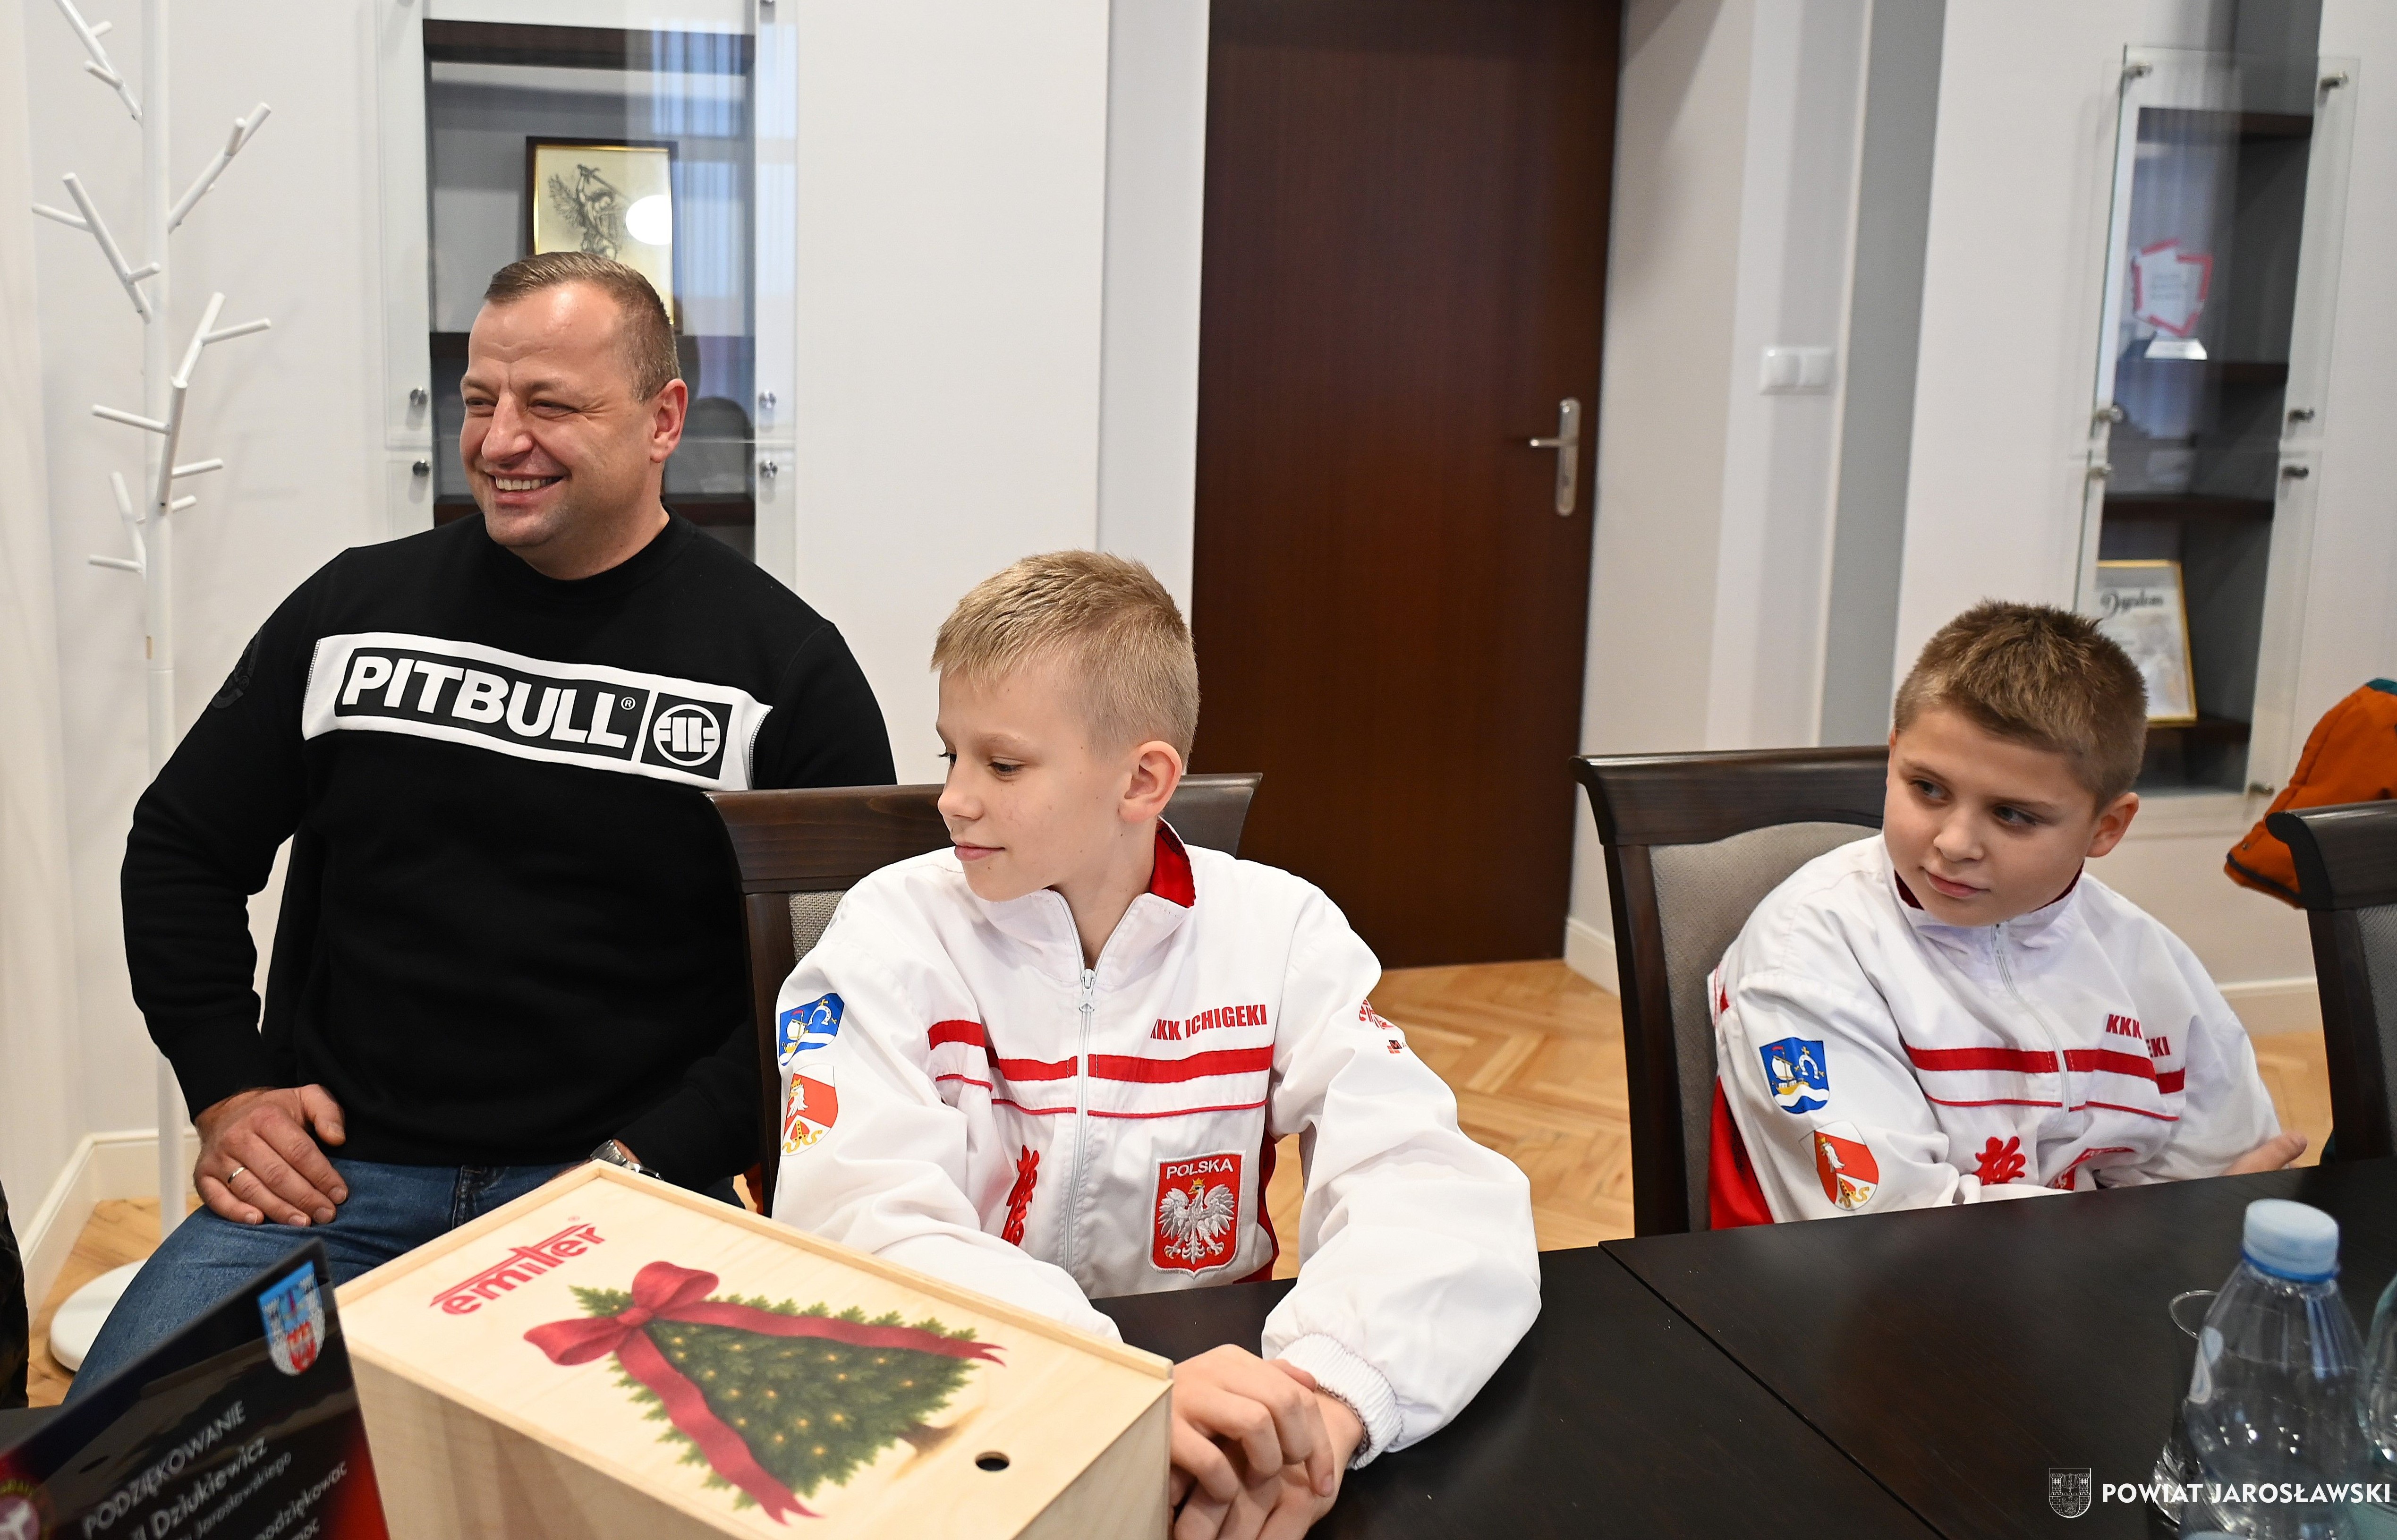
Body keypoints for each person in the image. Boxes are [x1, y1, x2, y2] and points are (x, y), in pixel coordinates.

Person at [73, 253, 893, 1393]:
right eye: (480, 399)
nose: (501, 439)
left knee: (672, 1475)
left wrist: (651, 1161)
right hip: (336, 1185)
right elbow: (181, 846)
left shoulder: (784, 668)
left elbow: (844, 975)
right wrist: (227, 1084)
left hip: (627, 1187)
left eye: (550, 404)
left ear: (663, 420)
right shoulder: (353, 613)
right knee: (116, 1460)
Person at [765, 552, 1538, 1537]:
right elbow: (858, 1224)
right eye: (951, 752)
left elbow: (1435, 1187)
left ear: (1143, 779)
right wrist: (1115, 1387)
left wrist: (1323, 1403)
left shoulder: (1278, 930)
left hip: (1225, 1434)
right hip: (976, 1425)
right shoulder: (888, 934)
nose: (953, 796)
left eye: (1003, 764)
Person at [1709, 601, 2304, 1226]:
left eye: (2013, 814)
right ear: (1893, 756)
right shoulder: (1810, 952)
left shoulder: (2144, 957)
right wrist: (2166, 1230)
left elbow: (2232, 1174)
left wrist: (2179, 1228)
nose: (1954, 843)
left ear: (2106, 827)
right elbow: (1890, 1231)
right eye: (1928, 788)